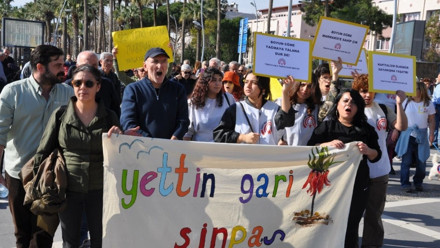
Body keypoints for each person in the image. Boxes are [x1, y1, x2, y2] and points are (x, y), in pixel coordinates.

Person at [32, 65, 121, 247]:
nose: (83, 87)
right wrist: (39, 184)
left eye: (88, 83)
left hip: (100, 189)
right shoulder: (60, 115)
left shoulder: (110, 117)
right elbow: (44, 150)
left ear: (98, 86)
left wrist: (121, 137)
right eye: (77, 83)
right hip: (68, 189)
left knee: (101, 240)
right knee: (70, 241)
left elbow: (119, 155)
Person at [0, 44, 74, 247]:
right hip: (18, 176)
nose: (63, 68)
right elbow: (0, 135)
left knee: (43, 236)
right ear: (40, 67)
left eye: (63, 63)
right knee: (22, 235)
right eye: (57, 64)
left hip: (52, 177)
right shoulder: (12, 92)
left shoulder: (68, 94)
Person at [307, 89, 381, 248]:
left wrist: (368, 151)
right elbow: (310, 149)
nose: (349, 105)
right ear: (338, 105)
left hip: (357, 186)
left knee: (351, 225)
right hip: (329, 187)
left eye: (353, 102)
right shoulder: (327, 127)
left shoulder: (366, 130)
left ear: (358, 108)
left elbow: (377, 156)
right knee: (326, 222)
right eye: (345, 101)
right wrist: (326, 145)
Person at [351, 74, 408, 247]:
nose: (367, 95)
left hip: (380, 171)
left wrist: (399, 103)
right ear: (356, 91)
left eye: (370, 91)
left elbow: (401, 126)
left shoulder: (383, 108)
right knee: (351, 216)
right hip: (355, 172)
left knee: (374, 216)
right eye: (363, 91)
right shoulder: (349, 108)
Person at [120, 47, 189, 139]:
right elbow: (127, 122)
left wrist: (175, 138)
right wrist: (150, 141)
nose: (160, 66)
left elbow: (183, 121)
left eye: (164, 61)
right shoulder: (133, 90)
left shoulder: (178, 90)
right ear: (145, 66)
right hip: (142, 148)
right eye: (155, 61)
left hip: (171, 149)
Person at [213, 72, 282, 145]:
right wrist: (242, 137)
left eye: (254, 83)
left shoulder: (275, 109)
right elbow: (219, 135)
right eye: (246, 82)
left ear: (263, 88)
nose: (248, 86)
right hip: (243, 155)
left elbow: (287, 127)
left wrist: (286, 92)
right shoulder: (236, 108)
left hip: (268, 155)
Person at [395, 82, 435, 192]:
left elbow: (431, 120)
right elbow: (398, 117)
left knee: (421, 161)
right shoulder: (406, 102)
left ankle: (418, 182)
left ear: (420, 90)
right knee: (406, 161)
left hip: (421, 135)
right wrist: (395, 130)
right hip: (408, 134)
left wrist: (431, 134)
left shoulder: (428, 104)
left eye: (413, 89)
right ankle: (405, 184)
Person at [183, 68, 235, 142]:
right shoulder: (193, 103)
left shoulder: (228, 98)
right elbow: (188, 133)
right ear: (205, 82)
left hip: (223, 150)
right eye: (214, 80)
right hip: (200, 150)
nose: (218, 83)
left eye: (220, 80)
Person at [64, 51, 121, 117]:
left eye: (94, 65)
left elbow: (115, 108)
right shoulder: (67, 87)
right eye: (86, 65)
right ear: (77, 66)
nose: (90, 69)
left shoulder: (107, 84)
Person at [275, 76, 321, 146]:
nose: (305, 89)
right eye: (302, 85)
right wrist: (279, 140)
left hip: (305, 154)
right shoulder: (280, 102)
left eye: (309, 86)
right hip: (283, 151)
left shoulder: (316, 108)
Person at [314, 58, 342, 122]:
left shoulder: (339, 98)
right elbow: (321, 115)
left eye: (331, 77)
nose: (329, 81)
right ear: (318, 79)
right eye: (325, 77)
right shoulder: (312, 98)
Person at [431, 72, 440, 147]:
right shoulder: (437, 87)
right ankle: (434, 142)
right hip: (437, 107)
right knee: (435, 125)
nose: (438, 78)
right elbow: (434, 98)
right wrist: (434, 108)